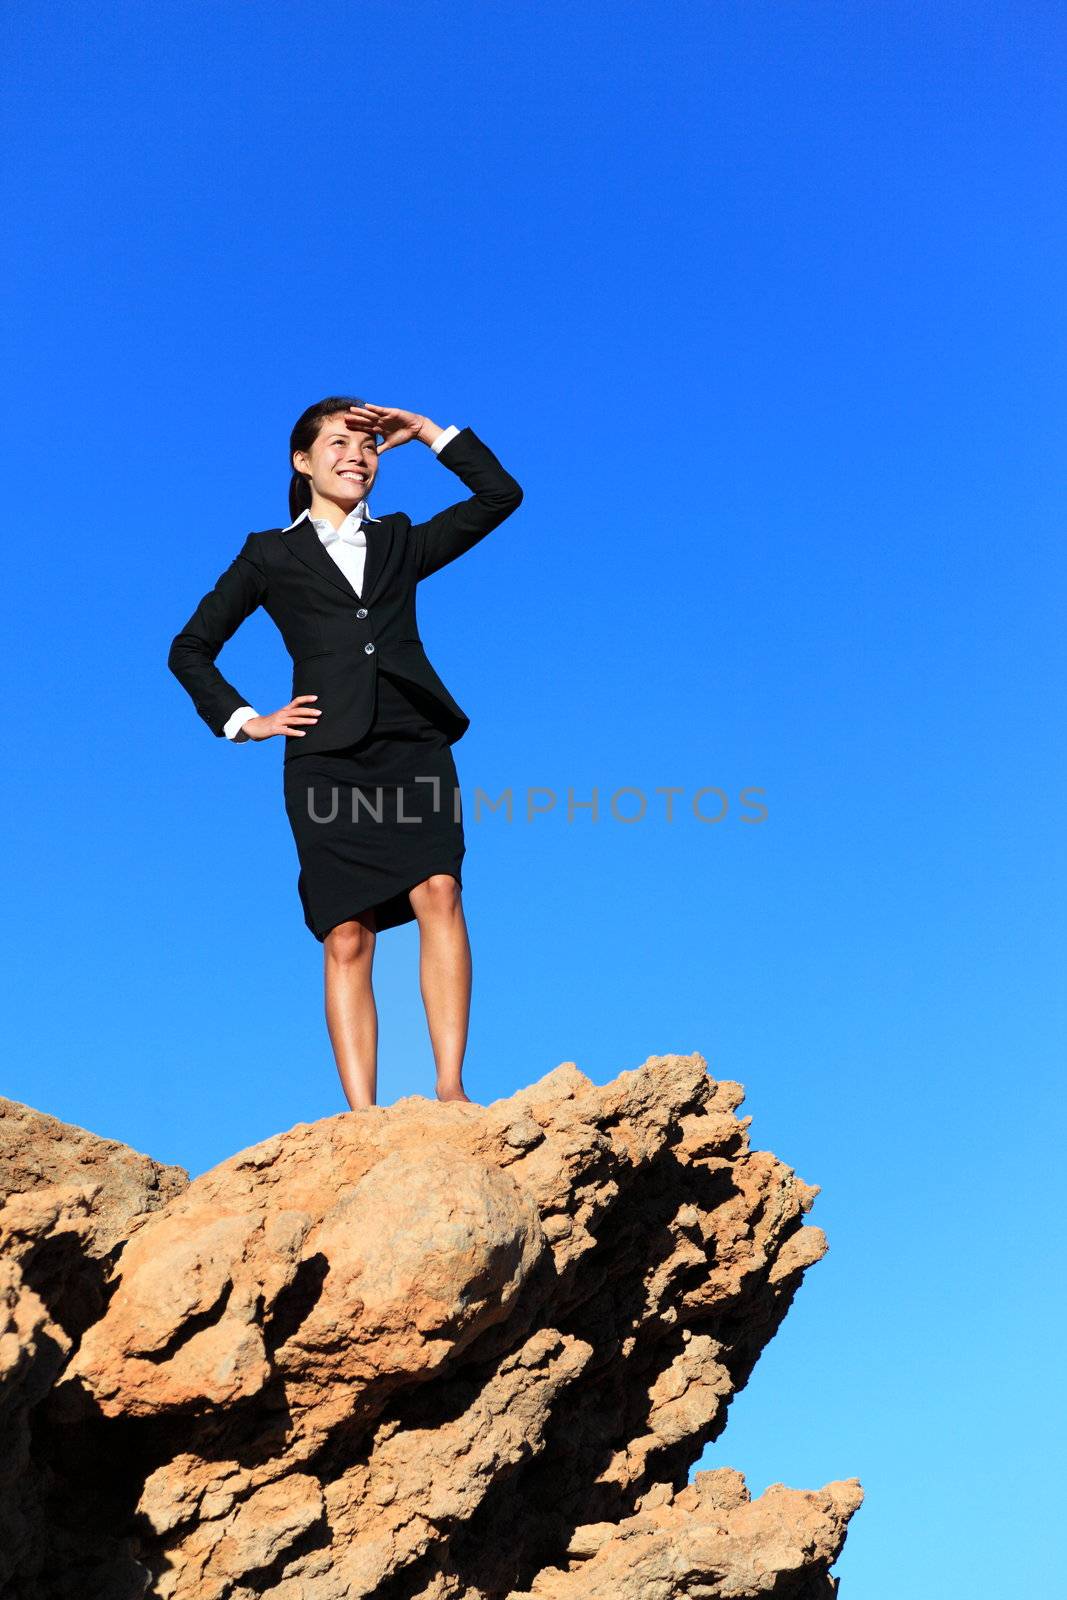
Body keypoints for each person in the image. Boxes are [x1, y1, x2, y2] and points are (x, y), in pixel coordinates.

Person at [167, 398, 523, 1109]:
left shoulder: (399, 541)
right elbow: (190, 649)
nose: (356, 456)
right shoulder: (268, 553)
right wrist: (246, 720)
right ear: (303, 461)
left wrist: (425, 432)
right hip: (323, 756)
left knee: (440, 891)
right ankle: (361, 1114)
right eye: (338, 443)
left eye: (367, 446)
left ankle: (450, 1088)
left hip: (410, 739)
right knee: (347, 936)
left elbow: (498, 495)